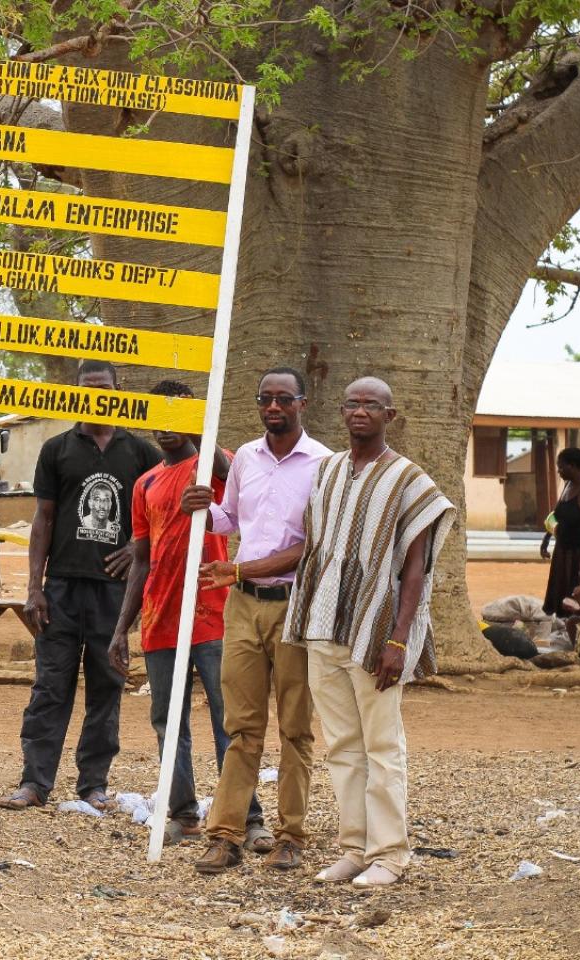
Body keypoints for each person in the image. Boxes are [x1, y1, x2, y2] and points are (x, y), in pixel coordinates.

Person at [284, 377, 456, 888]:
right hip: (323, 624)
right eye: (352, 403)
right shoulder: (329, 471)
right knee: (341, 745)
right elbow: (316, 549)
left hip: (376, 631)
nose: (360, 412)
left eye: (371, 405)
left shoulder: (411, 481)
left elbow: (415, 569)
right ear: (341, 411)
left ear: (390, 414)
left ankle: (391, 855)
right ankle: (354, 848)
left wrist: (400, 639)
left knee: (383, 745)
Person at [180, 368, 332, 874]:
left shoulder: (324, 465)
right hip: (242, 605)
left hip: (293, 605)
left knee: (295, 727)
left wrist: (239, 567)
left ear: (302, 404)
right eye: (265, 398)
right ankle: (226, 835)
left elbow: (311, 546)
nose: (272, 406)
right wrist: (204, 508)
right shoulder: (245, 456)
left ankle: (290, 835)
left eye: (283, 398)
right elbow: (233, 519)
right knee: (241, 726)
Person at [0, 360, 160, 811]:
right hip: (62, 589)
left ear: (118, 390)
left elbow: (160, 513)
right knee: (51, 686)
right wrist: (34, 586)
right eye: (88, 388)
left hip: (115, 592)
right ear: (77, 392)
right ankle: (34, 782)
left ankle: (94, 784)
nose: (97, 395)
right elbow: (43, 518)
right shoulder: (57, 449)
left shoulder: (141, 452)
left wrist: (136, 547)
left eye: (104, 387)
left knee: (107, 685)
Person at [106, 380, 240, 840]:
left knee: (230, 719)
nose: (168, 429)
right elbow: (140, 559)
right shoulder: (144, 484)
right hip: (161, 615)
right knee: (168, 719)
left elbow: (225, 468)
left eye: (177, 418)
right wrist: (122, 628)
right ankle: (183, 811)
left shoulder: (211, 464)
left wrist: (198, 423)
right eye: (161, 419)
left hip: (213, 611)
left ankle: (243, 816)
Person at [540, 447, 580, 616]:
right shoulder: (567, 486)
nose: (558, 471)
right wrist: (546, 540)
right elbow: (557, 516)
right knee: (560, 595)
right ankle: (564, 631)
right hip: (562, 551)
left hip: (579, 553)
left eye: (561, 467)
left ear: (573, 466)